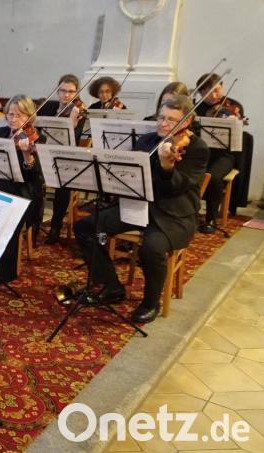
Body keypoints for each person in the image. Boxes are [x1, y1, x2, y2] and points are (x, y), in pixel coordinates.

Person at [73, 95, 209, 324]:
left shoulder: (197, 148)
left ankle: (150, 302)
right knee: (86, 227)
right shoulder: (146, 141)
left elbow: (177, 189)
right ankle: (111, 286)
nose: (163, 124)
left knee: (152, 247)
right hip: (140, 208)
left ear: (186, 122)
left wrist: (167, 167)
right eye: (161, 117)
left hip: (173, 215)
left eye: (171, 120)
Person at [0, 95, 46, 284]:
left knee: (5, 215)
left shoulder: (38, 139)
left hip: (23, 193)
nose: (13, 119)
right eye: (10, 114)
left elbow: (36, 177)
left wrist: (27, 155)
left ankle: (2, 272)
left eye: (19, 115)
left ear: (29, 117)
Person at [193, 72, 245, 234]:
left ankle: (211, 218)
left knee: (213, 177)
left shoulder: (232, 106)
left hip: (224, 155)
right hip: (200, 153)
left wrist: (234, 123)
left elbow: (238, 128)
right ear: (200, 92)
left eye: (217, 90)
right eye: (208, 92)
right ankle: (189, 214)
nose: (214, 95)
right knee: (186, 172)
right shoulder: (195, 108)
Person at [37, 74, 86, 245]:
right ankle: (34, 223)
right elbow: (36, 129)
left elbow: (75, 140)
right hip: (44, 154)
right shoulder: (47, 107)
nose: (66, 95)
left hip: (66, 157)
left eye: (71, 92)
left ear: (76, 93)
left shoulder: (79, 112)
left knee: (63, 182)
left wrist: (72, 123)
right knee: (32, 177)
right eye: (63, 91)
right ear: (57, 91)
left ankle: (56, 226)